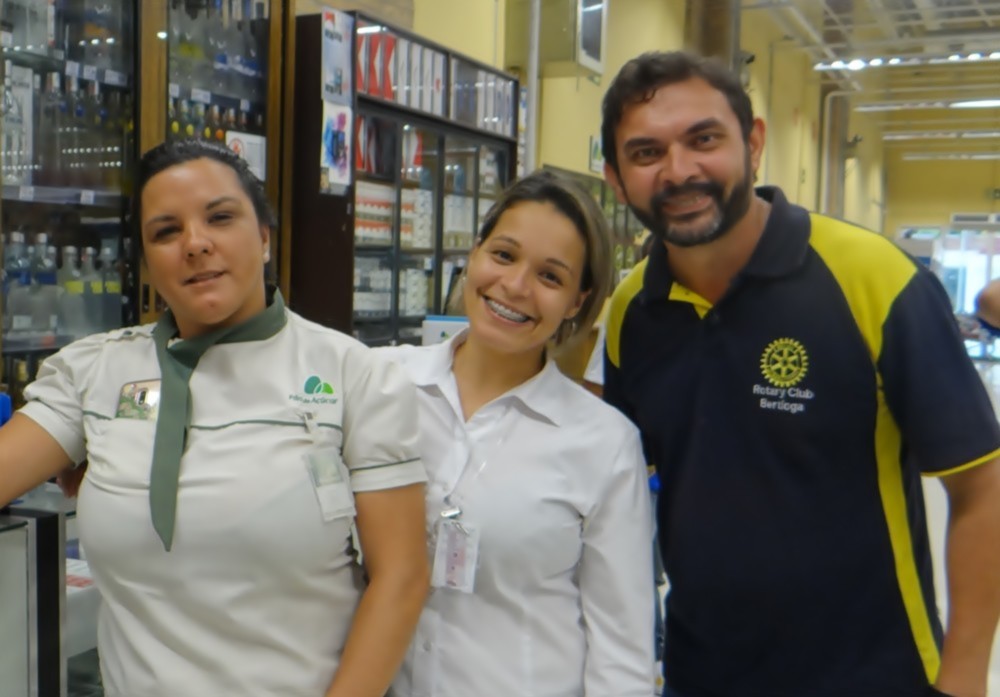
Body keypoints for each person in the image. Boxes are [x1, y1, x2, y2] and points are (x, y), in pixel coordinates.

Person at [600, 51, 1000, 697]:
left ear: (754, 143)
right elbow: (618, 493)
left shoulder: (875, 279)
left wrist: (964, 678)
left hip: (875, 677)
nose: (679, 170)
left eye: (704, 139)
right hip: (700, 676)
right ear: (616, 179)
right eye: (646, 153)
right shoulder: (630, 312)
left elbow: (981, 484)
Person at [0, 139, 430, 697]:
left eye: (220, 218)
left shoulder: (353, 376)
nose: (196, 243)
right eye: (166, 231)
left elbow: (401, 578)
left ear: (265, 237)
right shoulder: (94, 371)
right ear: (147, 262)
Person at [380, 170, 656, 696]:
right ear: (475, 252)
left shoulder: (604, 443)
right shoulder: (382, 384)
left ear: (577, 301)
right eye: (504, 255)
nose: (515, 286)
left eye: (550, 276)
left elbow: (622, 656)